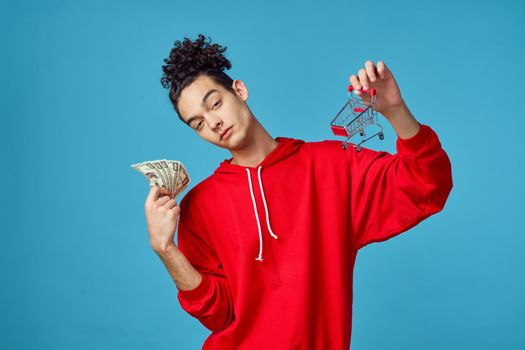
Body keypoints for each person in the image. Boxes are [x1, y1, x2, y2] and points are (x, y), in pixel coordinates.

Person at [144, 33, 453, 349]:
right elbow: (218, 315)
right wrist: (165, 249)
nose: (213, 123)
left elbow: (426, 185)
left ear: (240, 90)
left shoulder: (333, 166)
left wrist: (395, 110)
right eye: (197, 123)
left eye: (215, 103)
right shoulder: (200, 206)